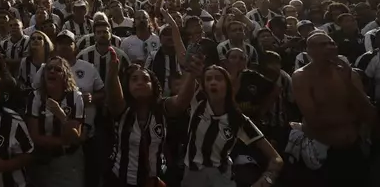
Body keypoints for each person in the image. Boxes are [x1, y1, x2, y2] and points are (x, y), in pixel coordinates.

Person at [106, 47, 202, 187]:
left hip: (153, 181)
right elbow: (114, 97)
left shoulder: (161, 108)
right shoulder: (123, 109)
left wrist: (192, 75)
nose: (140, 82)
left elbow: (181, 101)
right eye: (134, 79)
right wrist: (113, 73)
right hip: (120, 181)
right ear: (127, 86)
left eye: (146, 79)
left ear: (154, 86)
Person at [291, 31, 376, 186]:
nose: (329, 47)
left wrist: (347, 82)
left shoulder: (347, 73)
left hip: (354, 150)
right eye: (322, 44)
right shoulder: (302, 77)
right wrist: (353, 117)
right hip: (324, 154)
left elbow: (369, 113)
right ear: (309, 51)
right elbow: (315, 120)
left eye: (331, 43)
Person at [182, 65, 283, 187]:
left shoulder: (238, 119)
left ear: (228, 86)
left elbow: (276, 158)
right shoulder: (197, 102)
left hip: (221, 178)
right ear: (204, 86)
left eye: (218, 78)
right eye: (208, 79)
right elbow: (187, 62)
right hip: (193, 175)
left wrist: (267, 178)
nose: (213, 82)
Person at [27, 56, 85, 187]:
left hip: (67, 160)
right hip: (41, 159)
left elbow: (76, 138)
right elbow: (34, 136)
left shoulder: (75, 98)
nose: (52, 71)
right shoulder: (35, 97)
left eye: (58, 69)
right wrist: (64, 142)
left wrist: (61, 114)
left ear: (65, 76)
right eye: (49, 68)